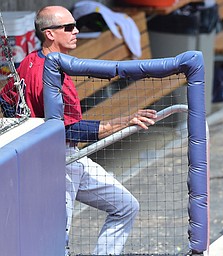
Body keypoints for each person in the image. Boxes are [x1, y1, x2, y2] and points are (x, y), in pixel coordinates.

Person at [0, 6, 158, 255]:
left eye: (75, 25)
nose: (77, 31)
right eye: (69, 27)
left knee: (126, 206)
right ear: (49, 34)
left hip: (68, 157)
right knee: (55, 240)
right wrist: (124, 121)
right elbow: (71, 131)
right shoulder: (46, 75)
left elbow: (6, 100)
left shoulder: (31, 60)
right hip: (56, 165)